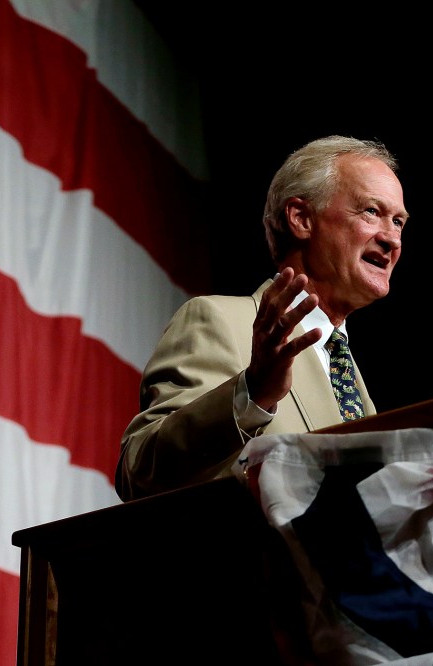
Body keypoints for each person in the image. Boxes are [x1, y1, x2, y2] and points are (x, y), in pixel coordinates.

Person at [116, 135, 408, 501]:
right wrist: (251, 395)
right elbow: (137, 470)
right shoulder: (217, 320)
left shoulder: (348, 373)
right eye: (371, 212)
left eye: (398, 221)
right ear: (301, 218)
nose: (392, 239)